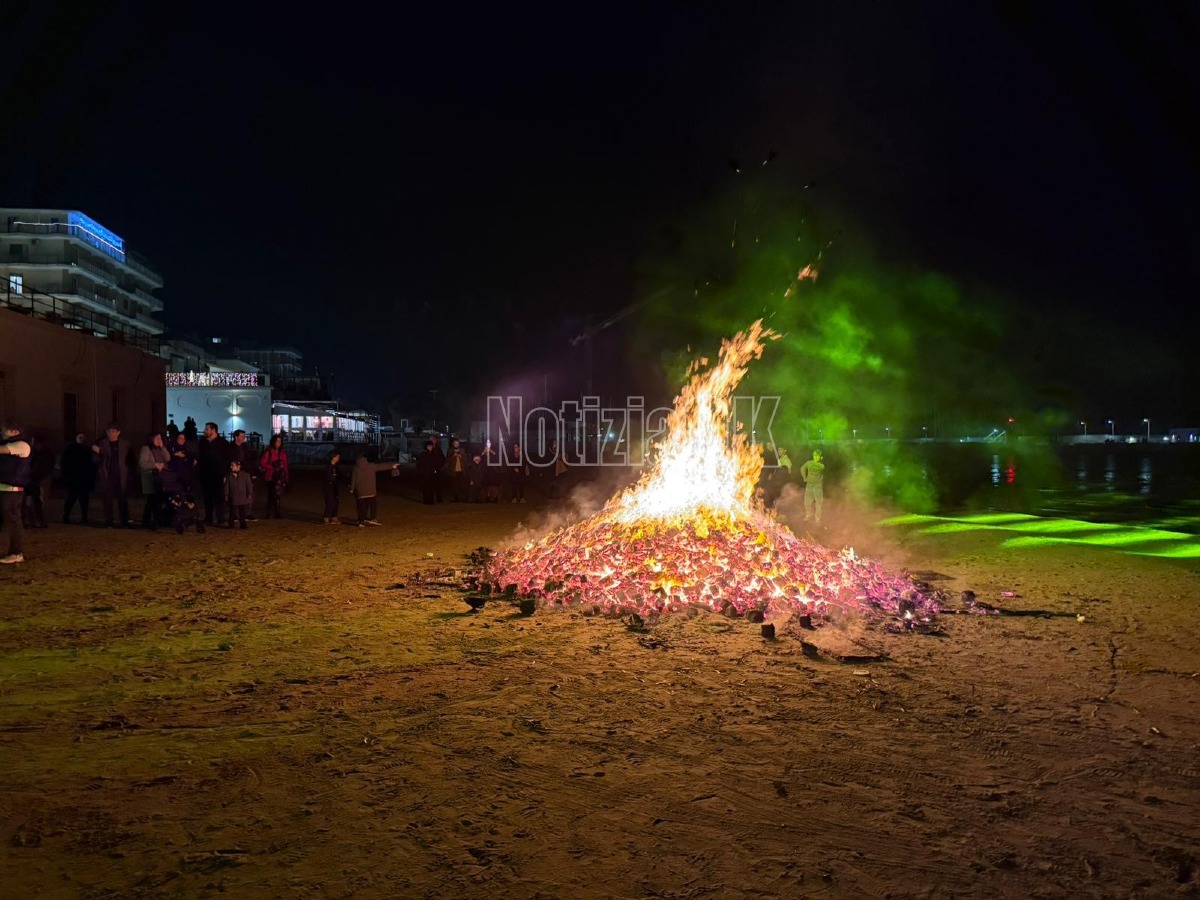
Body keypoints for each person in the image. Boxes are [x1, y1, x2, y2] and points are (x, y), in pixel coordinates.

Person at [0, 422, 32, 564]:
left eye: (4, 430)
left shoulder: (21, 445)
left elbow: (3, 450)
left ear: (14, 431)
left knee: (13, 520)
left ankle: (16, 552)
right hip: (4, 487)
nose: (2, 432)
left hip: (12, 489)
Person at [92, 423, 132, 527]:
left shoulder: (125, 444)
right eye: (109, 431)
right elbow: (95, 460)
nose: (111, 433)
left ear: (118, 433)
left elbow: (131, 459)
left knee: (122, 499)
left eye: (113, 431)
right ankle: (109, 521)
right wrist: (97, 453)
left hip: (121, 475)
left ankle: (124, 521)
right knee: (107, 500)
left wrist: (129, 471)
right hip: (108, 475)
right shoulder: (102, 443)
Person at [351, 452, 399, 525]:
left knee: (361, 506)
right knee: (373, 505)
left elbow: (353, 479)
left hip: (360, 491)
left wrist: (352, 489)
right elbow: (381, 466)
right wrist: (392, 465)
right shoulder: (371, 466)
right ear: (365, 459)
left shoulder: (355, 468)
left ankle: (361, 520)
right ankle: (373, 518)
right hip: (371, 491)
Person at [197, 422, 229, 526]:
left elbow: (227, 458)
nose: (205, 431)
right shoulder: (203, 442)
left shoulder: (222, 443)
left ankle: (220, 518)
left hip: (218, 474)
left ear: (213, 430)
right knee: (207, 497)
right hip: (206, 474)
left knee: (219, 497)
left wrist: (225, 473)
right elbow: (200, 456)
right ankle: (209, 517)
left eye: (207, 429)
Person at [138, 432, 171, 531]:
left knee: (156, 500)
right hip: (151, 477)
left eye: (160, 438)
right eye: (157, 438)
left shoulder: (159, 449)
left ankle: (149, 521)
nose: (159, 440)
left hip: (161, 478)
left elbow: (168, 458)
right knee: (153, 500)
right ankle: (150, 522)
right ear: (151, 439)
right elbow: (142, 463)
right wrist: (155, 464)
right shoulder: (146, 449)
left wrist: (163, 447)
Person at [61, 433, 95, 525]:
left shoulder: (87, 449)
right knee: (71, 499)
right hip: (74, 479)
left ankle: (84, 518)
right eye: (80, 437)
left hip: (84, 479)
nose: (82, 439)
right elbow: (64, 464)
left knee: (84, 500)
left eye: (83, 437)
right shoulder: (70, 449)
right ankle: (66, 516)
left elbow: (92, 465)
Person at [22, 433, 55, 528]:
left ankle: (39, 520)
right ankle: (34, 520)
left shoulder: (44, 454)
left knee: (39, 501)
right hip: (33, 480)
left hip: (39, 479)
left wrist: (34, 475)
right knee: (32, 501)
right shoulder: (36, 453)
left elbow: (44, 468)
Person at [226, 430, 259, 519]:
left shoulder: (245, 447)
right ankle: (236, 514)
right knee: (236, 493)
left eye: (244, 436)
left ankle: (248, 513)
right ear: (236, 437)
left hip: (245, 472)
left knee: (249, 491)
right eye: (241, 436)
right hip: (235, 472)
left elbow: (250, 461)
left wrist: (252, 473)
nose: (243, 438)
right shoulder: (230, 448)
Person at [259, 434, 290, 519]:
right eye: (277, 441)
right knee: (271, 495)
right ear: (274, 442)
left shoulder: (282, 453)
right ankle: (269, 513)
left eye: (280, 441)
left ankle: (277, 513)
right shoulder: (269, 452)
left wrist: (286, 477)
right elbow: (262, 463)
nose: (279, 443)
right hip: (271, 476)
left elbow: (285, 466)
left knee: (278, 495)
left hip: (279, 477)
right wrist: (273, 467)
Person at [224, 459, 253, 529]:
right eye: (231, 466)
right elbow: (227, 486)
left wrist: (249, 493)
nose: (231, 467)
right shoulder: (229, 476)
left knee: (242, 511)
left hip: (242, 496)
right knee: (232, 511)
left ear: (238, 466)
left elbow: (248, 485)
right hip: (233, 496)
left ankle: (243, 524)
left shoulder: (245, 475)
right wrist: (226, 495)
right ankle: (231, 524)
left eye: (233, 466)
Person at [799, 449, 826, 525]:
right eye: (814, 455)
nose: (815, 457)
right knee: (806, 502)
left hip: (817, 486)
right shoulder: (809, 463)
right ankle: (809, 514)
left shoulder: (821, 465)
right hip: (809, 485)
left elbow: (817, 467)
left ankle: (817, 519)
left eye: (817, 456)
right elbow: (802, 468)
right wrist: (804, 477)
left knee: (818, 503)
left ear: (820, 457)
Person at [442, 438, 469, 502]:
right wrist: (452, 456)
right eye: (455, 444)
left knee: (462, 485)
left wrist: (461, 457)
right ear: (453, 444)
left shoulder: (462, 450)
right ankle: (456, 497)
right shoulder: (450, 450)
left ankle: (463, 497)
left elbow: (466, 459)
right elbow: (447, 460)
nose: (457, 445)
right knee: (454, 485)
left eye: (458, 443)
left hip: (462, 471)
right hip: (453, 471)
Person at [323, 450, 343, 525]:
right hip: (329, 487)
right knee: (330, 502)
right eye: (337, 457)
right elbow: (327, 477)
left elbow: (339, 476)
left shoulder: (335, 467)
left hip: (334, 486)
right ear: (333, 457)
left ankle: (334, 516)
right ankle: (327, 517)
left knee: (336, 501)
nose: (339, 458)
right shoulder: (328, 467)